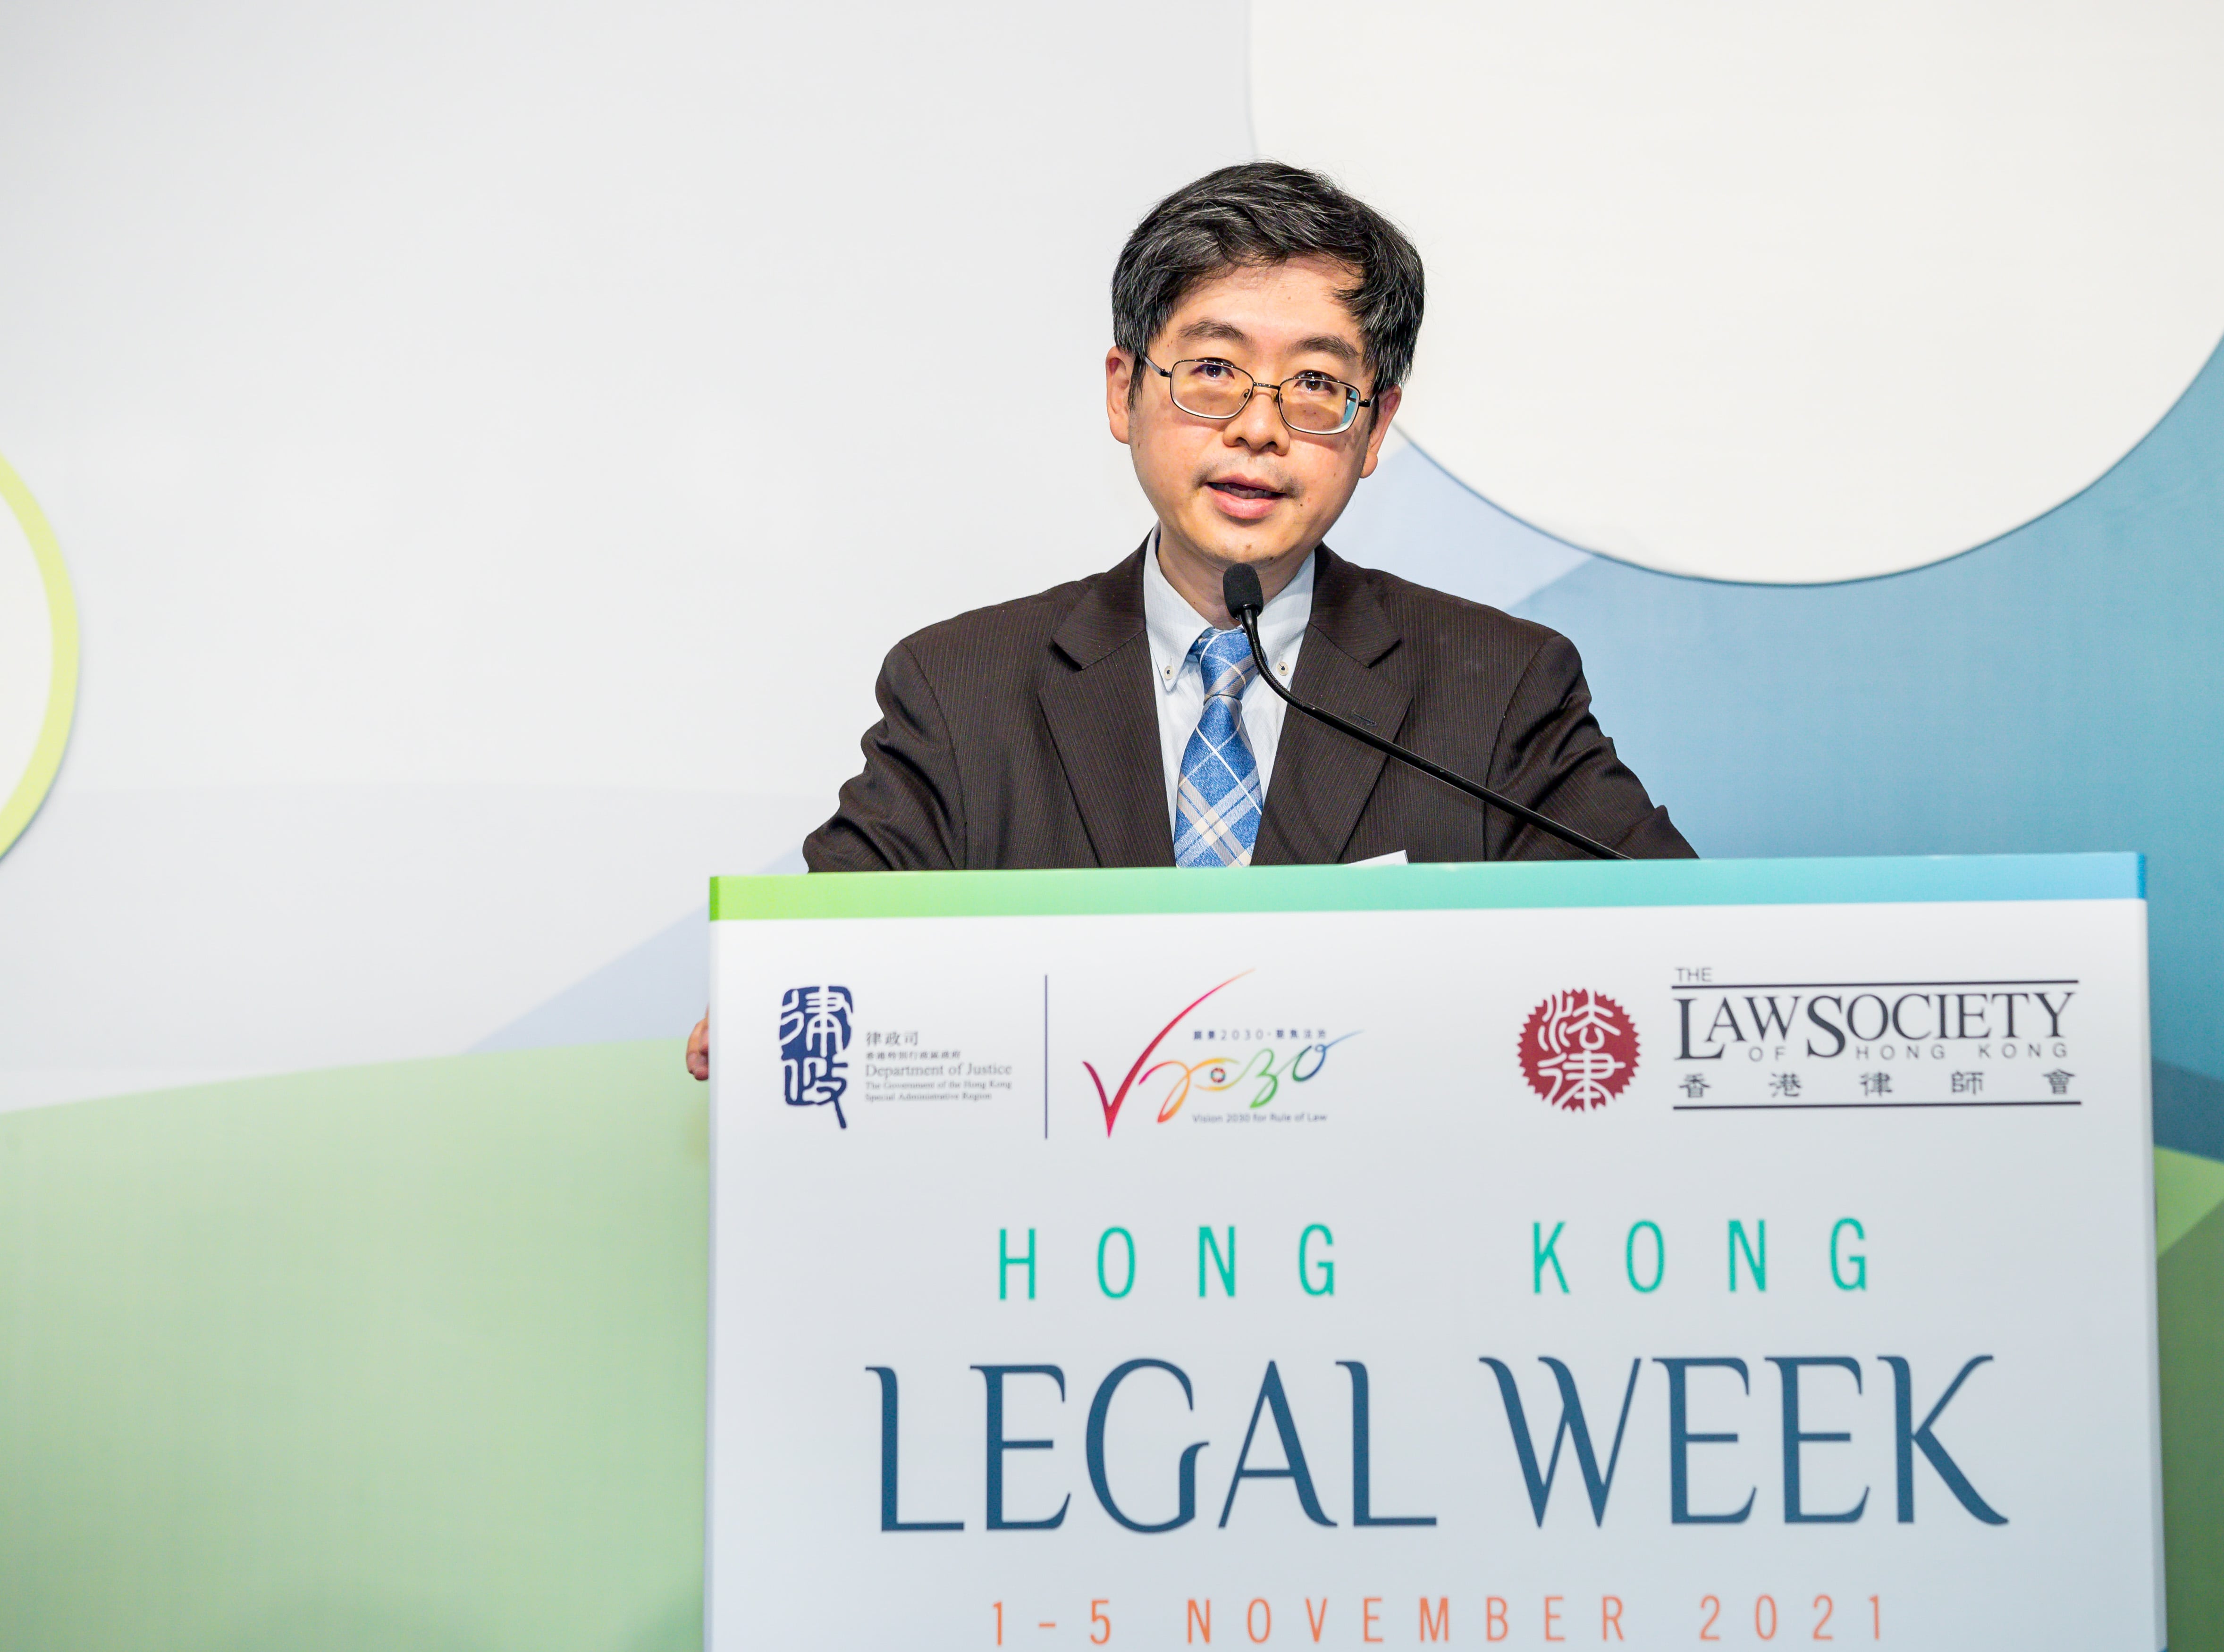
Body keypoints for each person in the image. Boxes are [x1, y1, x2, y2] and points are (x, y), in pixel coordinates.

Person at [686, 161, 1690, 1079]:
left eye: (1315, 384)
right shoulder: (962, 688)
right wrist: (768, 1000)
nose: (1258, 427)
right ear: (1125, 392)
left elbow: (1683, 950)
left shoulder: (1500, 685)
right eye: (1213, 370)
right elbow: (825, 959)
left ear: (1374, 427)